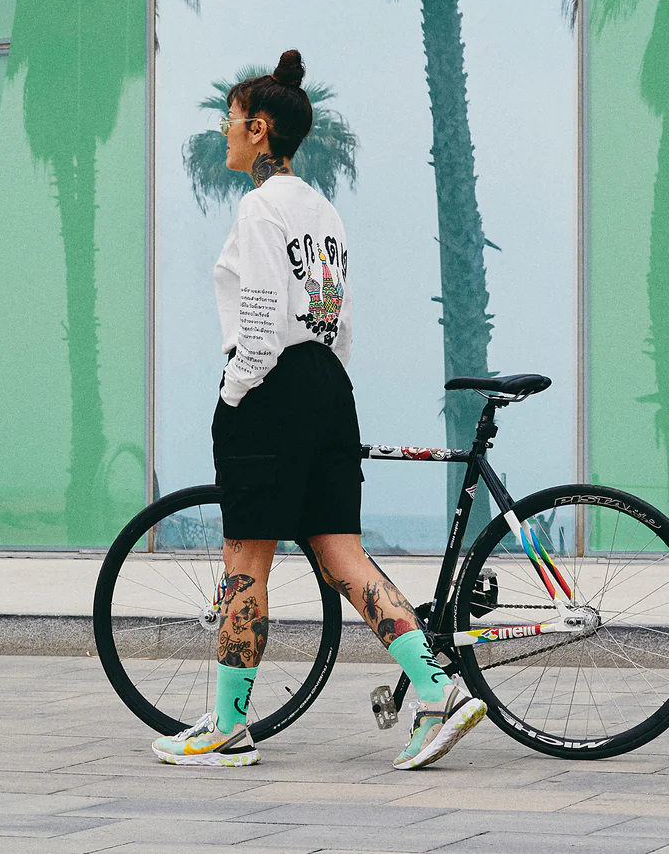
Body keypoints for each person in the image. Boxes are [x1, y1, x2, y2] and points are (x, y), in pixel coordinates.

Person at [151, 50, 487, 770]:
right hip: (329, 386)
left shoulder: (259, 206)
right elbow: (340, 317)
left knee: (244, 561)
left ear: (261, 129)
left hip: (271, 389)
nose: (225, 130)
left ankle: (230, 726)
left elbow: (264, 313)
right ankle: (438, 690)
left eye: (233, 121)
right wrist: (317, 383)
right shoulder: (323, 210)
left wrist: (235, 389)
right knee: (342, 552)